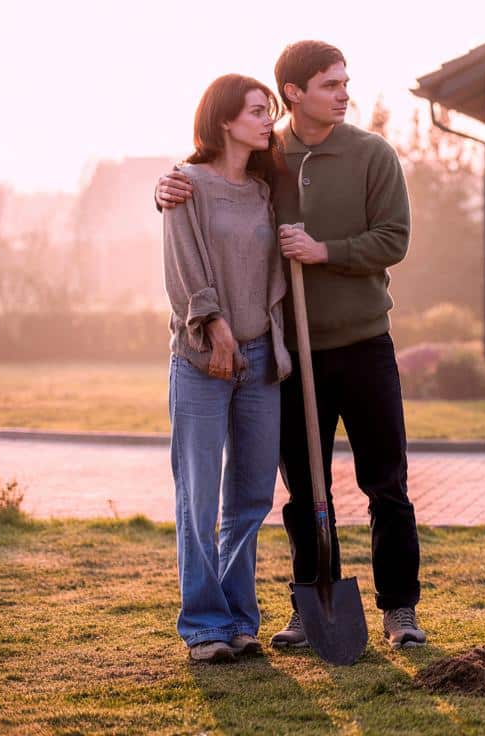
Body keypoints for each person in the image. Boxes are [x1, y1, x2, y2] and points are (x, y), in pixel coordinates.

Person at [156, 41, 426, 650]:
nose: (344, 93)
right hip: (291, 353)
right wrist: (165, 188)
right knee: (305, 489)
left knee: (386, 481)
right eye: (330, 84)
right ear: (294, 93)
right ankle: (311, 604)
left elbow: (395, 239)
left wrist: (324, 251)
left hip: (362, 343)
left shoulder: (371, 153)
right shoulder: (269, 158)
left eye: (345, 83)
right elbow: (204, 186)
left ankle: (400, 609)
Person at [163, 74, 291, 663]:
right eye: (257, 112)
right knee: (198, 492)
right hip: (200, 358)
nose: (268, 120)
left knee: (251, 496)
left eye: (269, 110)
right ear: (223, 121)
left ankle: (240, 618)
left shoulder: (265, 191)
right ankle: (204, 626)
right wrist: (213, 328)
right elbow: (185, 265)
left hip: (260, 354)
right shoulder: (185, 185)